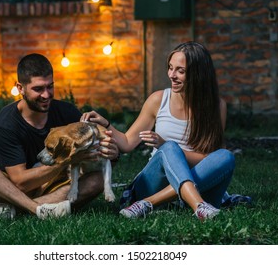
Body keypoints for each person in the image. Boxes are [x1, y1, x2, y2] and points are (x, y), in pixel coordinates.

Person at [81, 41, 235, 221]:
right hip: (155, 183)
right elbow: (128, 143)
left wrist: (165, 145)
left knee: (226, 156)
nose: (172, 75)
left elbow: (210, 158)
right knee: (169, 148)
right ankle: (199, 206)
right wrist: (106, 124)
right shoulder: (158, 100)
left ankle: (148, 204)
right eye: (170, 68)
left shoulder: (217, 106)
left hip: (198, 184)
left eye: (180, 71)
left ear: (198, 74)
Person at [0, 53, 119, 220]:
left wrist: (112, 154)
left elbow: (97, 155)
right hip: (8, 190)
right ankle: (37, 209)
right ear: (20, 88)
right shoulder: (6, 122)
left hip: (53, 187)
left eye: (50, 86)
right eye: (38, 89)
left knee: (98, 180)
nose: (46, 94)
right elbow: (21, 183)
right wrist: (68, 159)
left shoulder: (68, 113)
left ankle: (13, 212)